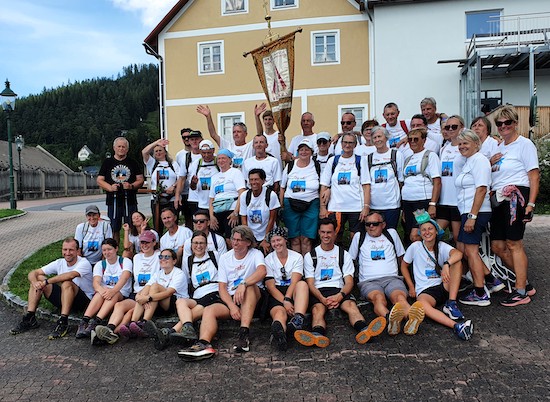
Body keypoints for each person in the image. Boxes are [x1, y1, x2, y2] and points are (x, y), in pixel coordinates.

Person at [177, 226, 267, 360]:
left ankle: (244, 335)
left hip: (253, 297)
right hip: (232, 298)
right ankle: (203, 344)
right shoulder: (225, 257)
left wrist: (244, 284)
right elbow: (222, 288)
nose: (235, 243)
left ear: (248, 242)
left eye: (239, 240)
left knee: (250, 288)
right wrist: (232, 306)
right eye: (233, 239)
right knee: (209, 309)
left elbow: (262, 271)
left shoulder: (255, 253)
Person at [295, 218, 386, 348]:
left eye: (329, 232)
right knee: (317, 310)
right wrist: (322, 298)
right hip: (319, 291)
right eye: (323, 232)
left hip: (339, 289)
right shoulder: (310, 256)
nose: (326, 235)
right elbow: (310, 283)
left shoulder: (344, 254)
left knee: (351, 306)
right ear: (319, 233)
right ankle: (317, 335)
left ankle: (364, 329)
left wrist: (340, 296)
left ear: (335, 233)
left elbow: (349, 282)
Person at [490, 105, 539, 306]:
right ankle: (524, 282)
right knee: (497, 246)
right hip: (498, 198)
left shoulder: (524, 144)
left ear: (515, 123)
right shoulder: (499, 147)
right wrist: (489, 162)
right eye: (499, 123)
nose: (503, 126)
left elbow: (534, 175)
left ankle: (520, 291)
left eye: (507, 122)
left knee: (514, 243)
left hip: (516, 196)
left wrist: (531, 204)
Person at [400, 211, 473, 341]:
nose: (427, 232)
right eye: (423, 230)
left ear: (436, 231)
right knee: (421, 305)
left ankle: (451, 303)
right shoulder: (415, 246)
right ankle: (456, 326)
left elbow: (458, 254)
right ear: (420, 233)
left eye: (430, 229)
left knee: (456, 262)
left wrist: (446, 264)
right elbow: (403, 266)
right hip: (426, 290)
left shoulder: (441, 246)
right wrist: (411, 287)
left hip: (444, 284)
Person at [348, 212, 424, 336]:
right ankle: (390, 319)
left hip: (392, 278)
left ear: (383, 225)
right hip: (369, 281)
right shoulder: (359, 236)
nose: (371, 226)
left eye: (375, 224)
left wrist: (409, 282)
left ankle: (412, 320)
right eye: (367, 224)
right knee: (378, 298)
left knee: (399, 297)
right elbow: (350, 261)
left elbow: (402, 258)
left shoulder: (391, 234)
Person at [146, 231, 221, 350]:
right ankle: (185, 328)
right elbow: (188, 280)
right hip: (197, 295)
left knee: (197, 309)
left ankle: (169, 332)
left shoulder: (214, 255)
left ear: (206, 245)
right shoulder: (188, 260)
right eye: (195, 243)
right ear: (191, 245)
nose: (198, 246)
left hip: (214, 292)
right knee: (181, 301)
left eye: (201, 243)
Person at [10, 237, 94, 339]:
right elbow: (33, 272)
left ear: (77, 251)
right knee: (38, 278)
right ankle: (30, 317)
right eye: (65, 249)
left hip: (83, 302)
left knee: (66, 283)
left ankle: (63, 322)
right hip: (65, 297)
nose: (67, 253)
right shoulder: (59, 262)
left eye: (71, 250)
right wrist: (35, 282)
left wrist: (47, 282)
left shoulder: (84, 263)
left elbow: (70, 275)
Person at [92, 230, 161, 344]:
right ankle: (109, 329)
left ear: (154, 242)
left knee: (129, 313)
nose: (144, 245)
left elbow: (161, 276)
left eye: (147, 242)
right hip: (136, 293)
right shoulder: (137, 257)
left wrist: (145, 296)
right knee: (119, 305)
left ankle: (110, 333)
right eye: (142, 242)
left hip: (150, 294)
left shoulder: (159, 256)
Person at [454, 130, 495, 307]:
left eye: (466, 143)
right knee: (466, 249)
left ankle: (480, 293)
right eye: (460, 144)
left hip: (476, 211)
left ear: (476, 144)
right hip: (468, 211)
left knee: (471, 252)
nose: (462, 146)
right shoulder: (468, 161)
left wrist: (472, 216)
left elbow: (481, 189)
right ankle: (492, 281)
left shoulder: (479, 160)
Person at [122, 248, 189, 339]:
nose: (163, 259)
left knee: (155, 286)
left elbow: (169, 293)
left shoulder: (179, 273)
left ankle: (145, 322)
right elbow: (146, 287)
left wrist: (147, 298)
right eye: (161, 257)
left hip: (175, 304)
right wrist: (139, 296)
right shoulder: (158, 273)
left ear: (174, 261)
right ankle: (133, 323)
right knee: (147, 289)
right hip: (159, 303)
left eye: (167, 257)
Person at [75, 238, 132, 340]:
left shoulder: (125, 261)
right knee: (99, 292)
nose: (107, 252)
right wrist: (103, 291)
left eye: (109, 249)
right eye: (104, 250)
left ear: (116, 249)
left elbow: (124, 278)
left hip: (121, 293)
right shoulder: (100, 264)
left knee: (113, 294)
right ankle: (84, 321)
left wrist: (112, 291)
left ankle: (96, 321)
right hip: (105, 293)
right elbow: (96, 283)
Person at [320, 132, 371, 244]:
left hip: (356, 207)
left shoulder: (360, 160)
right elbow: (324, 185)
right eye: (345, 142)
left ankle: (354, 256)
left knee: (356, 238)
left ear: (355, 145)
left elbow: (366, 185)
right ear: (341, 144)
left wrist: (366, 207)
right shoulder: (333, 161)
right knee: (335, 237)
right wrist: (322, 207)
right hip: (336, 207)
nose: (347, 145)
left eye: (351, 143)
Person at [264, 227, 309, 351]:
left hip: (293, 289)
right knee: (279, 313)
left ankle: (297, 319)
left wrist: (288, 299)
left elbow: (295, 281)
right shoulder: (268, 259)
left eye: (279, 240)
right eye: (273, 241)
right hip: (277, 291)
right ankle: (280, 333)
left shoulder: (297, 257)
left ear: (285, 240)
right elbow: (270, 286)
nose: (276, 244)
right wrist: (284, 302)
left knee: (302, 284)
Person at [97, 137, 144, 241]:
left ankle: (132, 246)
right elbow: (100, 180)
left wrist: (131, 186)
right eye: (119, 146)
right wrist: (110, 188)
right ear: (114, 148)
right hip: (113, 200)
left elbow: (140, 179)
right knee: (114, 228)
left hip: (130, 200)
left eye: (123, 147)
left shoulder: (133, 162)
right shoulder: (107, 162)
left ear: (127, 149)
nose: (121, 149)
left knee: (132, 226)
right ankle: (115, 247)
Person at [401, 128, 441, 244]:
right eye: (410, 140)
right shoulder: (408, 159)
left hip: (421, 201)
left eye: (416, 139)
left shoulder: (430, 156)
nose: (413, 142)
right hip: (408, 202)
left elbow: (437, 181)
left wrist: (432, 204)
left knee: (417, 234)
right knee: (409, 233)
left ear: (424, 140)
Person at [280, 138, 320, 255]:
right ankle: (297, 265)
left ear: (311, 152)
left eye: (307, 149)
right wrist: (281, 205)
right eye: (301, 149)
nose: (303, 152)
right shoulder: (290, 166)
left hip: (311, 203)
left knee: (307, 239)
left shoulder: (316, 166)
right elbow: (282, 187)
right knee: (294, 239)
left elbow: (323, 185)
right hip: (290, 204)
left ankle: (307, 264)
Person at [365, 126, 404, 230]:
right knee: (375, 233)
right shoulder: (368, 158)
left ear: (386, 137)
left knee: (391, 232)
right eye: (374, 137)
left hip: (392, 204)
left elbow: (401, 180)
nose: (377, 140)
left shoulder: (396, 154)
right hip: (374, 205)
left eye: (379, 136)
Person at [436, 115, 467, 244]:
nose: (450, 129)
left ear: (462, 128)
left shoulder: (465, 147)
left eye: (454, 126)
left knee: (457, 237)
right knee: (434, 234)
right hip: (443, 200)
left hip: (458, 200)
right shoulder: (443, 148)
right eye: (447, 127)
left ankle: (462, 258)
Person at [142, 138, 180, 234]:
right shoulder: (152, 164)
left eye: (160, 150)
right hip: (157, 199)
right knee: (158, 225)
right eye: (156, 151)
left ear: (165, 152)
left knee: (173, 223)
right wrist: (156, 142)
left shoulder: (173, 164)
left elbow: (181, 178)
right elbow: (144, 152)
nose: (158, 152)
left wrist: (174, 186)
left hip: (171, 199)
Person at [197, 104, 253, 170]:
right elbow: (213, 135)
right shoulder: (228, 146)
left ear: (245, 134)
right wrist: (208, 117)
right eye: (234, 132)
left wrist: (257, 116)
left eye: (239, 132)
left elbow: (259, 135)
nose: (236, 134)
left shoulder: (250, 146)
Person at [209, 149, 246, 246]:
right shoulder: (214, 177)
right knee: (215, 239)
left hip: (231, 210)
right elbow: (211, 198)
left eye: (223, 158)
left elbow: (241, 193)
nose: (221, 161)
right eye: (219, 158)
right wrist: (211, 216)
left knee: (231, 240)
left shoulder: (235, 173)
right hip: (217, 210)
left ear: (230, 160)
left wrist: (236, 212)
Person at [239, 168, 280, 254]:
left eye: (256, 179)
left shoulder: (271, 195)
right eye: (251, 180)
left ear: (263, 181)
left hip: (268, 233)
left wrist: (266, 239)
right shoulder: (244, 196)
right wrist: (250, 239)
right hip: (251, 234)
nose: (253, 182)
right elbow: (244, 219)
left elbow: (272, 219)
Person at [176, 139, 220, 215]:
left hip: (217, 201)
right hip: (200, 202)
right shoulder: (196, 164)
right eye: (204, 153)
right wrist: (193, 183)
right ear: (200, 152)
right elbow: (192, 187)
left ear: (213, 150)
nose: (206, 155)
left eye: (209, 152)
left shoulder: (218, 162)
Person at [175, 129, 203, 229]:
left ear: (201, 140)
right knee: (191, 222)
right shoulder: (185, 158)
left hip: (207, 196)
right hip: (192, 196)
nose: (194, 141)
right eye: (192, 139)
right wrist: (177, 196)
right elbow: (181, 178)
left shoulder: (210, 155)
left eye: (196, 139)